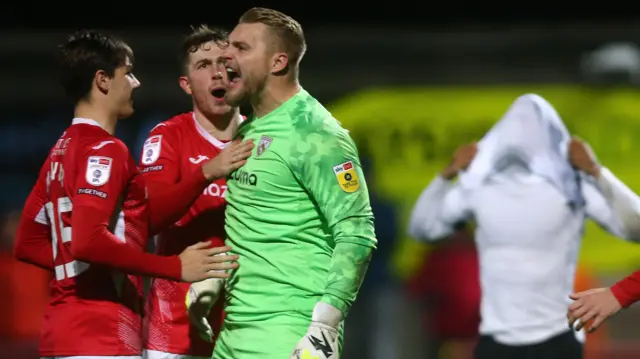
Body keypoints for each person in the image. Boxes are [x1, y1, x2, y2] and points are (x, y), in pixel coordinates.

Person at [12, 30, 246, 359]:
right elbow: (88, 241)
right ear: (103, 80)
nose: (135, 83)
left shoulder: (58, 152)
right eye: (128, 73)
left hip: (63, 331)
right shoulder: (107, 150)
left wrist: (90, 268)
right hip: (101, 333)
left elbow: (28, 243)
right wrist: (173, 268)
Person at [187, 7, 377, 359]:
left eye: (241, 48)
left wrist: (326, 324)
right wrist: (218, 276)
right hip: (232, 336)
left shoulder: (316, 133)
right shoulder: (248, 130)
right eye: (228, 46)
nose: (226, 55)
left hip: (289, 335)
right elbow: (261, 225)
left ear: (278, 62)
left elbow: (356, 232)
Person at [407, 94, 640, 359]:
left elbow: (636, 227)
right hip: (500, 340)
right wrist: (447, 173)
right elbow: (422, 228)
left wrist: (596, 171)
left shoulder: (573, 187)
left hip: (555, 338)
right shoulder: (479, 189)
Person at [142, 25, 251, 359]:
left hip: (247, 320)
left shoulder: (264, 135)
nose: (218, 72)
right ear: (186, 84)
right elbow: (150, 218)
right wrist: (206, 173)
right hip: (174, 327)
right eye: (204, 65)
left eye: (224, 61)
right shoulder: (168, 137)